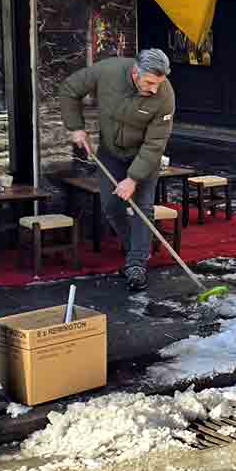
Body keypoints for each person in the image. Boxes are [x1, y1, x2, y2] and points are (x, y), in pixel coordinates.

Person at [60, 49, 175, 291]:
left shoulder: (165, 96)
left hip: (144, 155)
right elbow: (70, 89)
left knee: (143, 208)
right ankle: (138, 248)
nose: (155, 89)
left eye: (159, 83)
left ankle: (136, 265)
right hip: (110, 152)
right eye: (150, 83)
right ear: (135, 73)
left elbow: (155, 143)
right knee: (111, 206)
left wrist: (133, 178)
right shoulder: (108, 71)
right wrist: (76, 127)